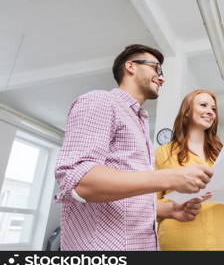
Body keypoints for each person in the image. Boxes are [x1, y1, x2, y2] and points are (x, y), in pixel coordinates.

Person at [54, 44, 214, 251]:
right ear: (130, 66)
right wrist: (173, 177)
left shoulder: (139, 122)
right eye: (156, 68)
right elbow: (77, 181)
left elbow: (123, 200)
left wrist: (169, 210)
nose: (162, 78)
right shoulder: (100, 101)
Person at [155, 89, 224, 251]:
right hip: (181, 243)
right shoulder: (162, 154)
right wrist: (178, 200)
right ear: (187, 111)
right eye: (203, 105)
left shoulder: (222, 155)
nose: (210, 112)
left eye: (213, 109)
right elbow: (149, 206)